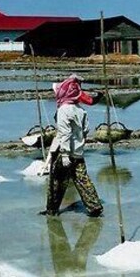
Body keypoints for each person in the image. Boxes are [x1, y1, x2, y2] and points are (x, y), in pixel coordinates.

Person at [42, 75, 104, 217]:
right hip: (77, 152)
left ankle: (52, 210)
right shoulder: (81, 111)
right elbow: (86, 130)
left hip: (65, 152)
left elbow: (65, 132)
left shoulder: (64, 110)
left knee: (56, 182)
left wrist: (64, 154)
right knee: (82, 179)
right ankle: (94, 206)